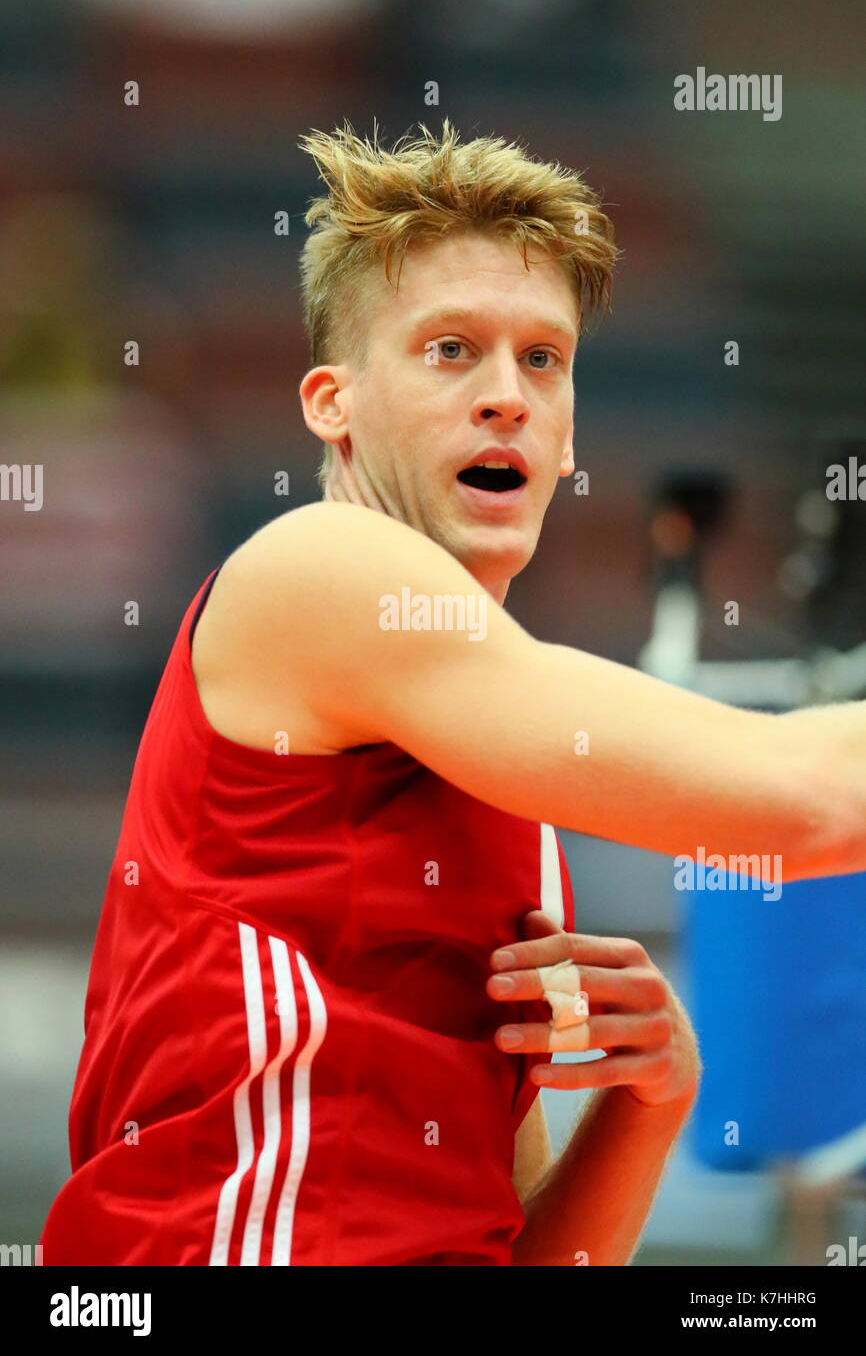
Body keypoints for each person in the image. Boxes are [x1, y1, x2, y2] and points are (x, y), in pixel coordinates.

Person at [41, 120, 864, 1267]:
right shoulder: (319, 570)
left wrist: (647, 1100)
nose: (505, 396)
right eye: (448, 350)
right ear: (331, 401)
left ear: (571, 427)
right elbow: (812, 803)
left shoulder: (496, 772)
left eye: (542, 358)